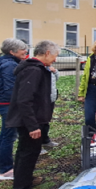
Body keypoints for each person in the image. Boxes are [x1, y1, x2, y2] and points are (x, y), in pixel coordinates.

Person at [6, 40, 60, 188]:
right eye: (55, 55)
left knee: (27, 153)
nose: (55, 59)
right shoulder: (33, 70)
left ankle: (24, 179)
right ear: (47, 53)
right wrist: (32, 126)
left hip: (34, 119)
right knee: (27, 154)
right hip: (30, 122)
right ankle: (22, 184)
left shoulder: (37, 68)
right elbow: (24, 100)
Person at [0, 38, 27, 180]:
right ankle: (5, 170)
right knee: (8, 136)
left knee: (5, 136)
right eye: (22, 49)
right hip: (8, 105)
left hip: (5, 104)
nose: (25, 51)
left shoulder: (7, 62)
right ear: (12, 51)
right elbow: (11, 88)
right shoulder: (9, 65)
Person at [40, 65, 60, 156]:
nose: (55, 59)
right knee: (39, 122)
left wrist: (55, 71)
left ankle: (45, 140)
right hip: (42, 100)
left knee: (46, 120)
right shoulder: (38, 69)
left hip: (51, 98)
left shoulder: (50, 67)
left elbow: (57, 78)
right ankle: (37, 146)